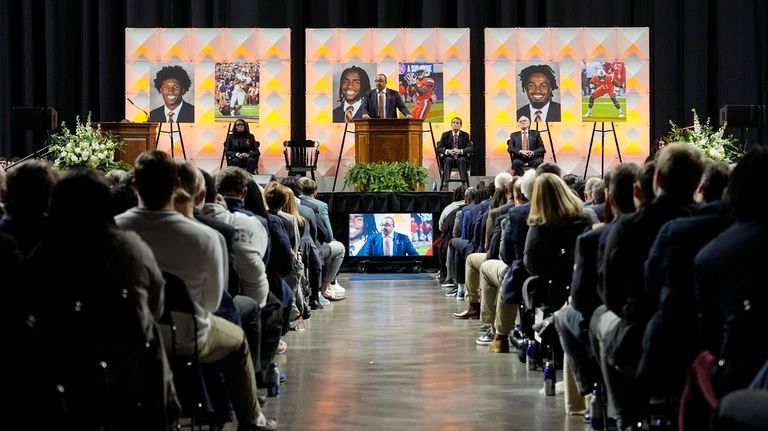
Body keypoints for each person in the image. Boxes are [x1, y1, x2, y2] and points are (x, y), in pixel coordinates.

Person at [436, 117, 473, 189]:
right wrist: (448, 151)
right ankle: (445, 183)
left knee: (461, 160)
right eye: (454, 123)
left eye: (457, 123)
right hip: (449, 158)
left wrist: (460, 151)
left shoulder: (465, 135)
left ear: (460, 125)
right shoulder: (445, 134)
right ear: (451, 125)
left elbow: (471, 148)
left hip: (461, 158)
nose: (455, 124)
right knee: (448, 160)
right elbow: (438, 149)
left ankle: (464, 183)